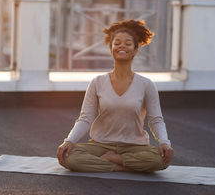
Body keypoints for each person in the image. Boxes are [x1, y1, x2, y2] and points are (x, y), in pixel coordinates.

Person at [57, 19, 174, 172]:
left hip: (134, 147)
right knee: (69, 156)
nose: (121, 46)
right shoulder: (97, 82)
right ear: (111, 48)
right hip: (100, 145)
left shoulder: (146, 84)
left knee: (159, 160)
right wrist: (69, 141)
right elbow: (85, 118)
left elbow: (155, 120)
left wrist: (164, 143)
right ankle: (121, 167)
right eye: (117, 42)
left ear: (135, 49)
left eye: (127, 43)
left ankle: (113, 161)